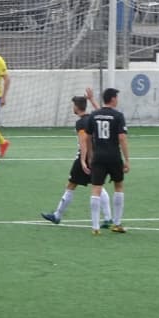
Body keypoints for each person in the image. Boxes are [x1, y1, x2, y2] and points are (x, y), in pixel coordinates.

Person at [41, 89, 113, 228]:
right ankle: (108, 217)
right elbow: (102, 113)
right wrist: (92, 99)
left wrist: (83, 160)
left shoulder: (81, 123)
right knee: (98, 185)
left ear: (76, 107)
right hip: (98, 156)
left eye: (73, 105)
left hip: (85, 158)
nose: (72, 108)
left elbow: (83, 142)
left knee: (71, 185)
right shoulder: (93, 117)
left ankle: (57, 215)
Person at [81, 88, 129, 234]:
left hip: (98, 156)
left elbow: (88, 137)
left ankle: (95, 227)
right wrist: (127, 159)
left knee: (96, 188)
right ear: (113, 99)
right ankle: (117, 223)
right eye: (117, 97)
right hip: (114, 156)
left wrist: (90, 155)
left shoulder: (94, 115)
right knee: (118, 186)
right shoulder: (118, 116)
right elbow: (122, 138)